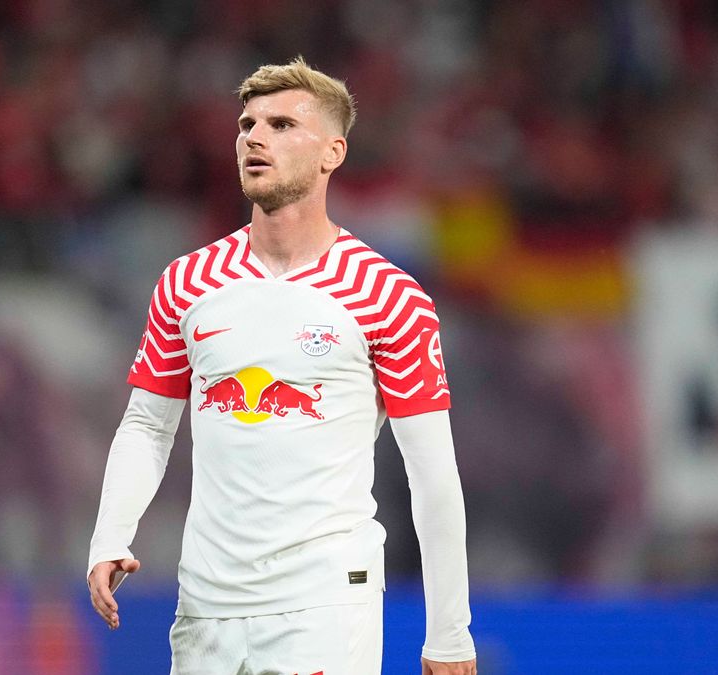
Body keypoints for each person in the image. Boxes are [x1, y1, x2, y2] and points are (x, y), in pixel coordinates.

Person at [87, 57, 478, 675]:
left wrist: (449, 631)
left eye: (281, 124)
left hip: (323, 603)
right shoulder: (189, 283)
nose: (255, 138)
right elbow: (147, 426)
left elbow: (433, 472)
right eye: (246, 125)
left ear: (332, 153)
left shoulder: (387, 296)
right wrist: (110, 534)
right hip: (206, 606)